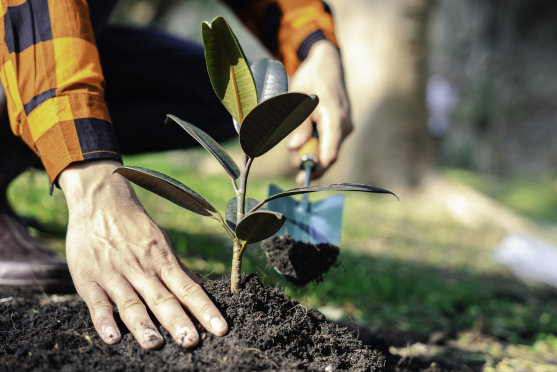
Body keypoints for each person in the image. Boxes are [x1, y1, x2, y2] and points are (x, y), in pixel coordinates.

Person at [0, 0, 352, 350]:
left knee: (210, 93)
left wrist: (316, 47)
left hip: (71, 38)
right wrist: (95, 185)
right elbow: (33, 13)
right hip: (21, 33)